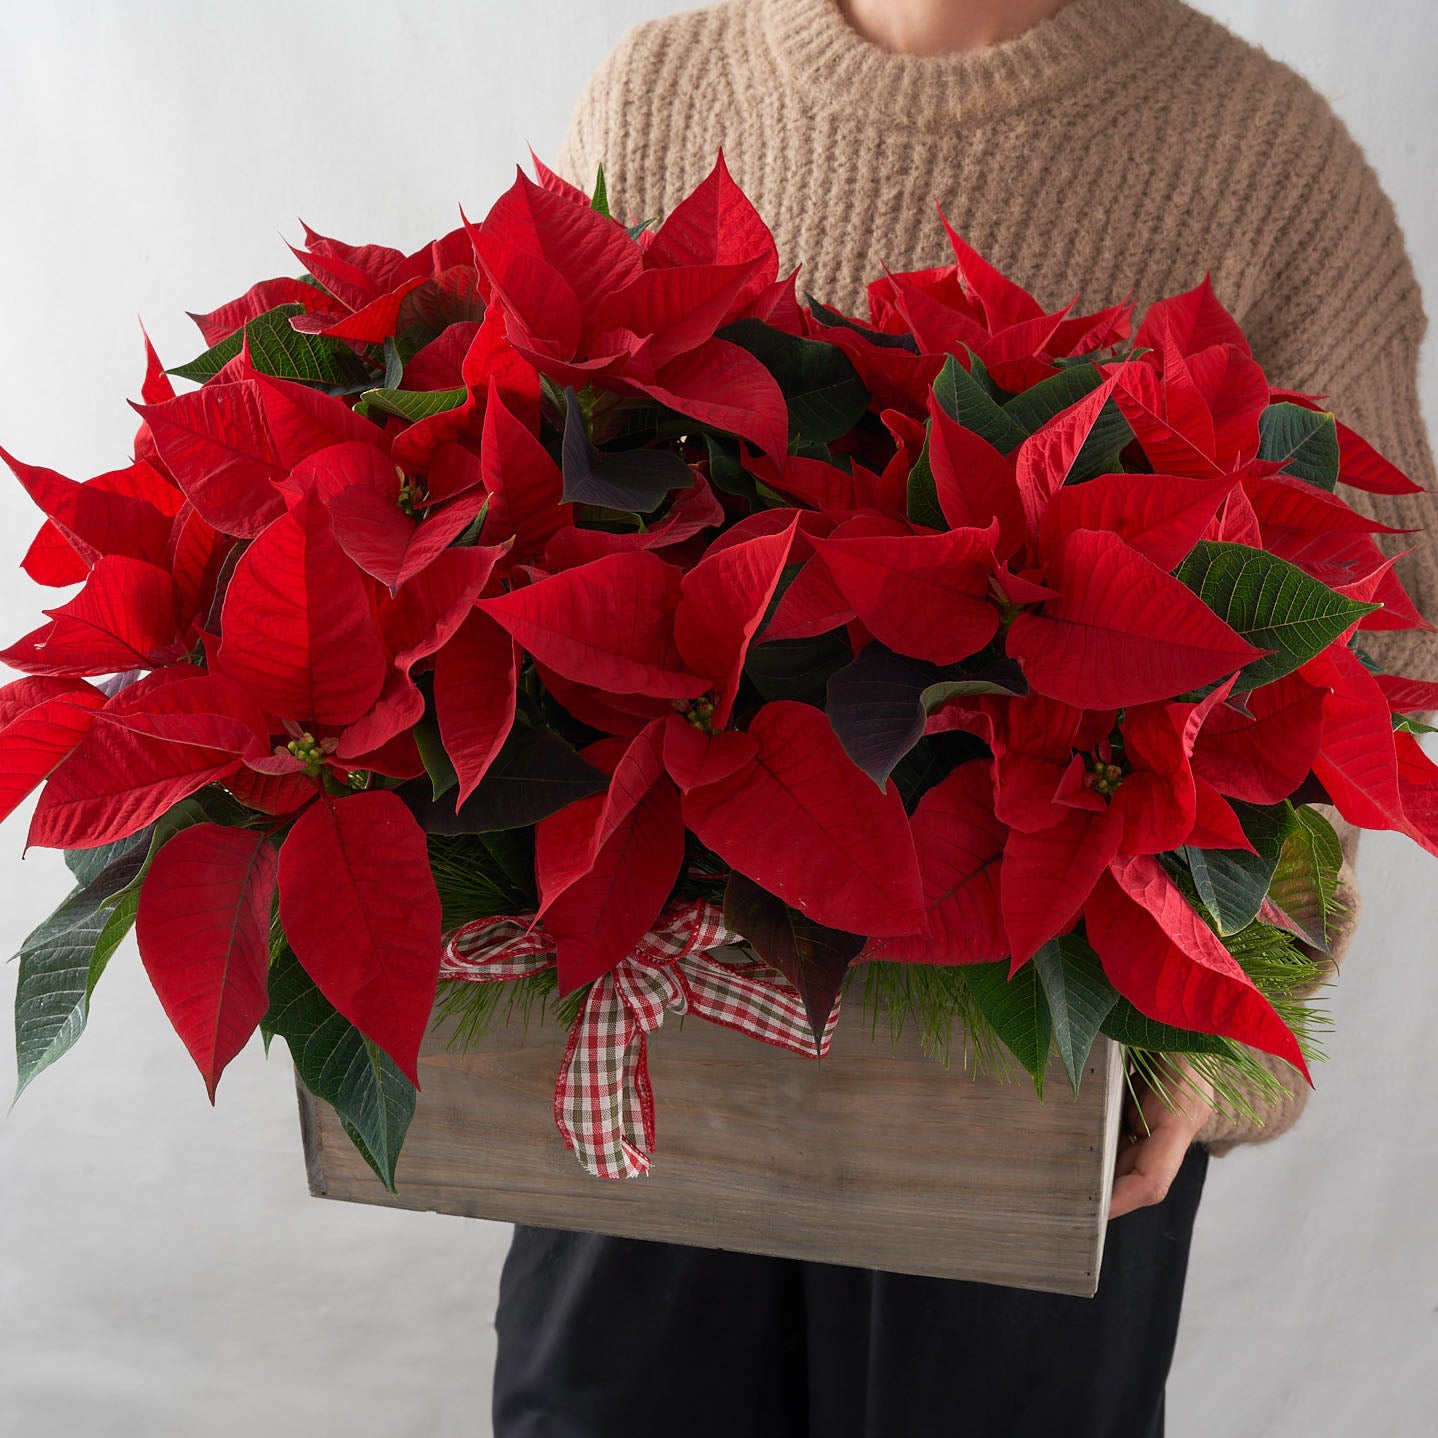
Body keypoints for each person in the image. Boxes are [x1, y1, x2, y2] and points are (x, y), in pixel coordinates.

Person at [492, 2, 1436, 1433]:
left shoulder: (1260, 157)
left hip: (1029, 1064)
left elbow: (1354, 659)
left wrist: (1216, 1032)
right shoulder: (664, 85)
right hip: (663, 1043)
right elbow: (522, 515)